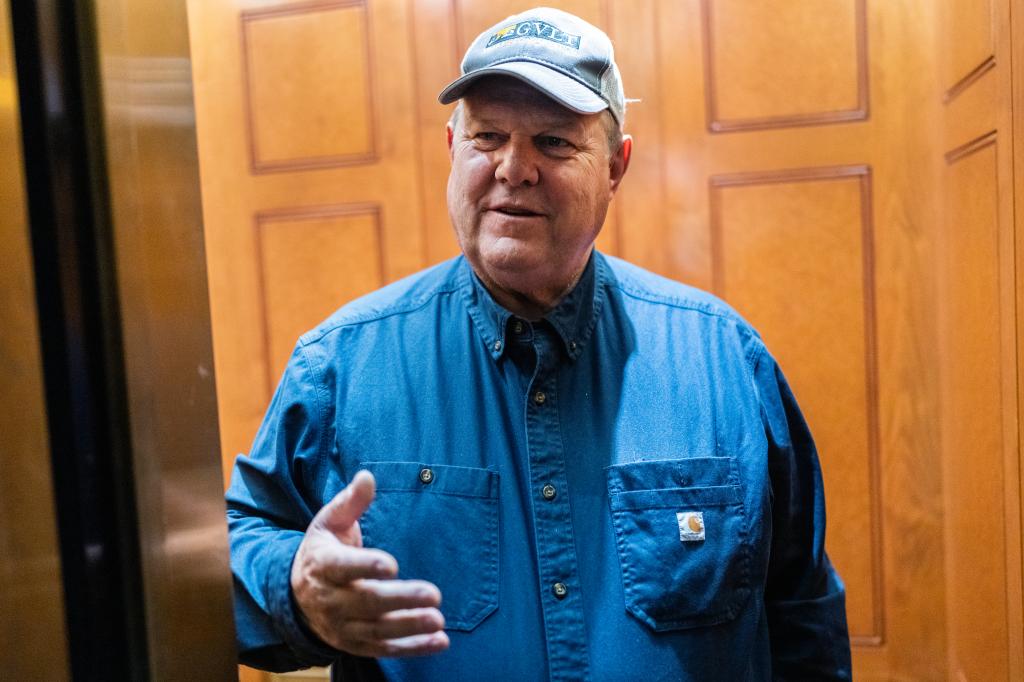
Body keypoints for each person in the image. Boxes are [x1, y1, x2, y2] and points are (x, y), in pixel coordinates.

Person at [226, 7, 852, 680]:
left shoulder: (727, 363)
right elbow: (229, 553)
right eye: (487, 136)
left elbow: (803, 613)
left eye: (554, 142)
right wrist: (294, 588)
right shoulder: (340, 367)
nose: (513, 168)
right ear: (451, 149)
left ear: (616, 168)